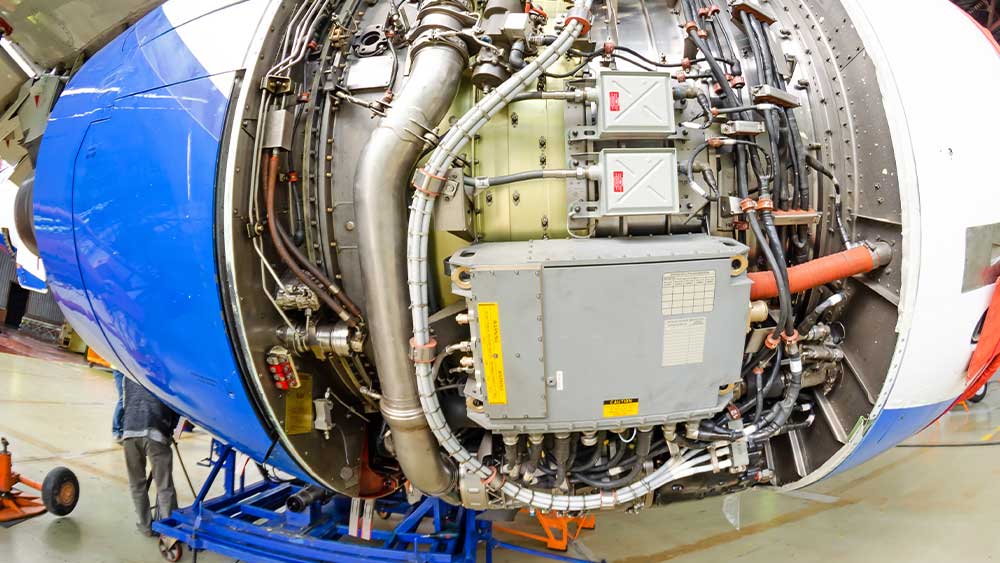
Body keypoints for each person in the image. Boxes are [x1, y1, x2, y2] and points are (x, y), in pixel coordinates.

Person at [121, 375, 180, 537]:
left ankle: (146, 527)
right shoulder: (165, 376)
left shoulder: (128, 374)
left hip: (130, 433)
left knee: (137, 484)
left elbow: (123, 404)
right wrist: (170, 430)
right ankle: (170, 532)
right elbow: (175, 408)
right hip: (157, 433)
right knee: (164, 485)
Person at [112, 370, 125, 443]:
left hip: (130, 370)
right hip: (120, 370)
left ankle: (124, 428)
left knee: (129, 399)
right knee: (122, 398)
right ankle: (116, 430)